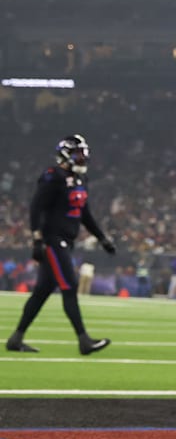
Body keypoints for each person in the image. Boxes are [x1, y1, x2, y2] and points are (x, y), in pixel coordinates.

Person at [6, 134, 115, 355]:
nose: (82, 158)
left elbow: (85, 213)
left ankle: (15, 339)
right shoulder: (52, 176)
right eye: (78, 153)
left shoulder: (80, 179)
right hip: (53, 240)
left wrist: (102, 238)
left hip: (67, 240)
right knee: (70, 286)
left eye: (83, 153)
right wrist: (37, 238)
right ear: (66, 154)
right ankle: (84, 340)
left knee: (42, 292)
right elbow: (36, 208)